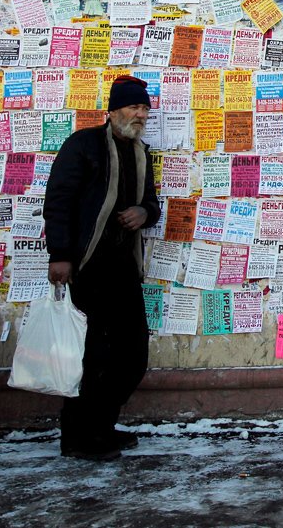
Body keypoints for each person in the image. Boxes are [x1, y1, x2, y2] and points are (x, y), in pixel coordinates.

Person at [45, 75, 160, 461]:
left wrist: (144, 213)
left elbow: (153, 206)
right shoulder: (83, 145)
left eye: (144, 109)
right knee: (92, 354)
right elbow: (58, 200)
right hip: (86, 266)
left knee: (132, 353)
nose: (140, 115)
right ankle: (79, 436)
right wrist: (59, 254)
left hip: (123, 268)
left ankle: (100, 425)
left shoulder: (141, 153)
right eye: (134, 107)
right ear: (111, 111)